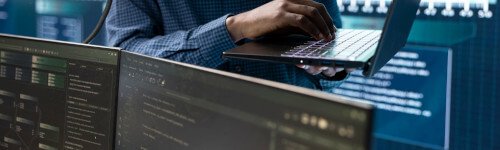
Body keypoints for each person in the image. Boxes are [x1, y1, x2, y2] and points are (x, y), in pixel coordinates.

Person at [106, 0, 351, 91]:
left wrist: (332, 70)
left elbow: (332, 46)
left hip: (292, 129)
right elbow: (124, 59)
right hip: (187, 129)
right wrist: (235, 27)